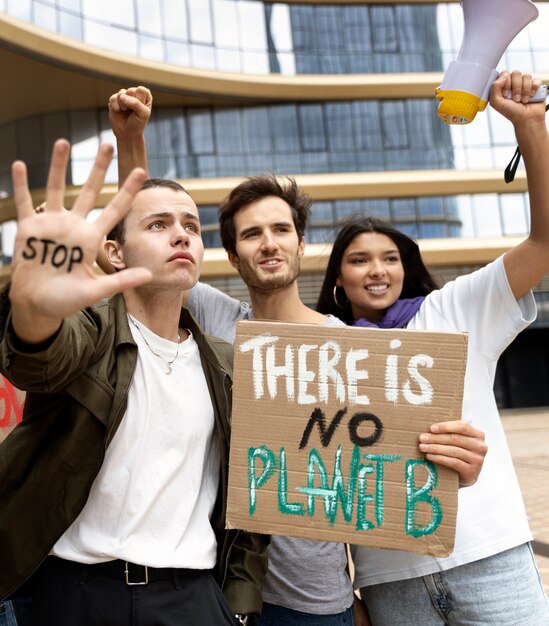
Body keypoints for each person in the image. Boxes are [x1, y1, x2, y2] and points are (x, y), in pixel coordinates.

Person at [108, 88, 488, 625]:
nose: (268, 243)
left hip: (318, 601)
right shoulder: (221, 322)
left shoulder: (354, 347)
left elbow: (388, 467)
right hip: (225, 587)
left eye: (281, 229)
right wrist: (131, 139)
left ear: (301, 244)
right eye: (251, 234)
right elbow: (147, 232)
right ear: (233, 255)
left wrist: (454, 467)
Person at [0, 140, 268, 626]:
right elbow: (37, 361)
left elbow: (251, 499)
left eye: (191, 226)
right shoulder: (89, 330)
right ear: (114, 254)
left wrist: (239, 608)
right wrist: (36, 306)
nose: (182, 236)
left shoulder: (228, 365)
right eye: (159, 225)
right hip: (79, 594)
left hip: (194, 598)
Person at [316, 70, 549, 625]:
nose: (377, 270)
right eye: (359, 260)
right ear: (338, 280)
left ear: (407, 267)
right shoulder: (321, 346)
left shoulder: (454, 309)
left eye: (390, 258)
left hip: (489, 557)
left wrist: (530, 128)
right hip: (387, 578)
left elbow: (545, 241)